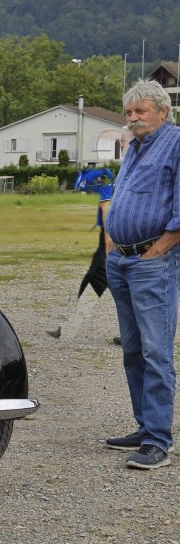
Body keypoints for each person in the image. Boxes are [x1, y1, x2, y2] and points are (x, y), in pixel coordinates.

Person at [100, 80, 180, 470]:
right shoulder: (135, 147)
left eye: (141, 111)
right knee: (132, 351)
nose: (133, 118)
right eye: (129, 112)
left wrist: (158, 250)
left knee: (155, 352)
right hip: (122, 261)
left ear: (163, 112)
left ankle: (158, 440)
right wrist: (113, 247)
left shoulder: (176, 144)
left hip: (152, 262)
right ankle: (144, 426)